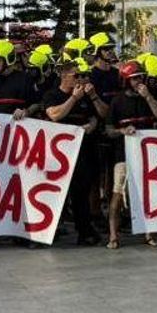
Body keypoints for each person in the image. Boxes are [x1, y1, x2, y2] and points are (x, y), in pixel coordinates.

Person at [105, 59, 157, 250]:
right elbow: (109, 130)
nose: (138, 81)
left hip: (148, 155)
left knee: (150, 194)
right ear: (126, 81)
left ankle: (150, 233)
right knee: (117, 194)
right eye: (134, 78)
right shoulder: (117, 101)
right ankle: (113, 236)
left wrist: (148, 97)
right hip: (123, 154)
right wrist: (122, 131)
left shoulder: (151, 95)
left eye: (140, 77)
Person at [42, 62, 103, 246]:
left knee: (81, 192)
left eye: (83, 76)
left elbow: (96, 116)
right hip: (57, 153)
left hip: (82, 151)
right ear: (63, 76)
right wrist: (74, 98)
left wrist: (91, 124)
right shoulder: (52, 95)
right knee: (53, 192)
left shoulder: (86, 96)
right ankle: (48, 230)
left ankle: (84, 231)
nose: (80, 79)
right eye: (76, 76)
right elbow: (55, 115)